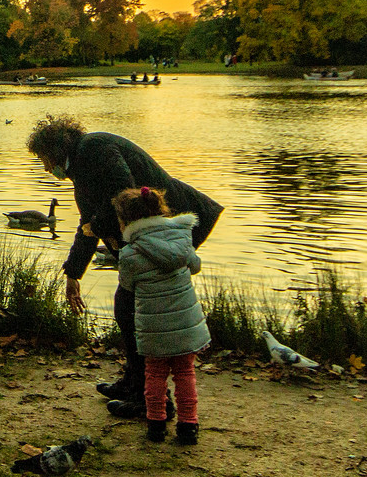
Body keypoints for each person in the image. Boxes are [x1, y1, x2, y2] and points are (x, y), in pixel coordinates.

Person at [24, 115, 222, 418]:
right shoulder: (82, 163)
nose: (47, 168)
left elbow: (123, 193)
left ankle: (150, 400)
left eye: (43, 160)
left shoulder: (94, 149)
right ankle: (135, 383)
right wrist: (73, 274)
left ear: (54, 149)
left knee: (130, 310)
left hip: (168, 228)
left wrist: (97, 226)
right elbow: (87, 223)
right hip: (153, 234)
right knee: (125, 307)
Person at [113, 185, 209, 445]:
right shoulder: (182, 239)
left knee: (154, 374)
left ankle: (156, 425)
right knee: (185, 374)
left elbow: (128, 286)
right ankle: (189, 426)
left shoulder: (130, 254)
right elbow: (196, 266)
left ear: (127, 222)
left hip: (153, 327)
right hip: (186, 324)